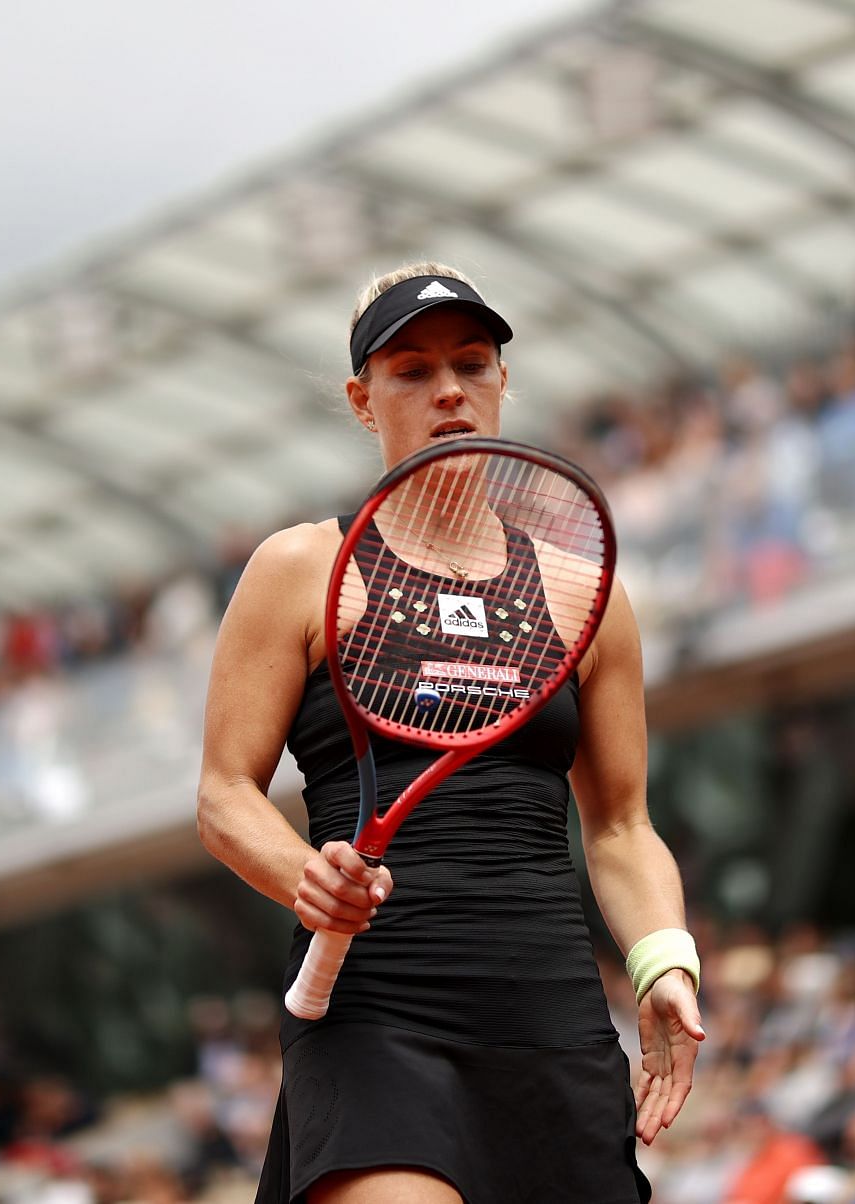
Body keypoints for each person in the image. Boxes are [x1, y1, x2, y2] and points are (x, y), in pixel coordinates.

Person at [197, 262, 705, 1204]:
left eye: (472, 364)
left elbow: (622, 827)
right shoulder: (302, 568)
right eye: (411, 371)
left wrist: (662, 962)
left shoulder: (583, 593)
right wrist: (303, 877)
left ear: (502, 382)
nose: (448, 392)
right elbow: (225, 796)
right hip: (376, 1009)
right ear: (362, 400)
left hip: (548, 1013)